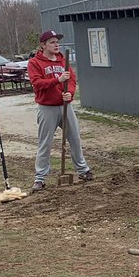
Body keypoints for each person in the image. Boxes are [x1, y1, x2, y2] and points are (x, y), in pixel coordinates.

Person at [28, 30, 94, 191]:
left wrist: (69, 94)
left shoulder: (62, 61)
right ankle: (40, 178)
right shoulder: (35, 63)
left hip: (65, 106)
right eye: (52, 42)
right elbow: (37, 83)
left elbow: (71, 80)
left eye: (57, 41)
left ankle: (83, 170)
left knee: (75, 138)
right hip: (47, 108)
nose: (56, 44)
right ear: (43, 45)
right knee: (45, 142)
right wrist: (57, 80)